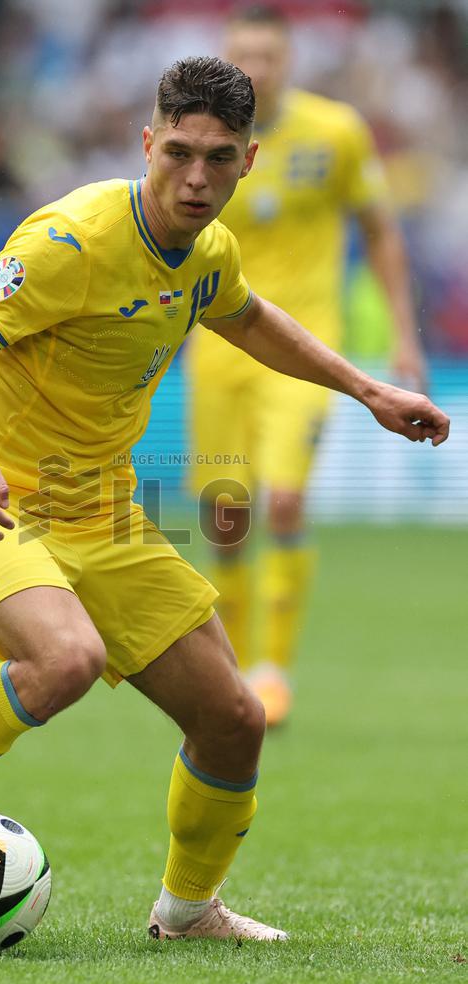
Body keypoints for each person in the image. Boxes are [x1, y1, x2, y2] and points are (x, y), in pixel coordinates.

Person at [0, 55, 448, 943]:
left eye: (218, 157)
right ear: (146, 142)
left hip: (102, 509)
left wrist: (367, 390)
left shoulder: (209, 249)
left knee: (234, 718)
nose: (196, 177)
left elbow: (247, 317)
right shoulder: (71, 241)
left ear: (250, 158)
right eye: (178, 152)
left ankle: (187, 911)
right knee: (67, 661)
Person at [187, 6, 428, 726]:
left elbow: (380, 231)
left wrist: (404, 336)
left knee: (284, 499)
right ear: (226, 60)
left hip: (303, 349)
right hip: (218, 348)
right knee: (225, 514)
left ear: (290, 58)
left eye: (267, 53)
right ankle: (234, 670)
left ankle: (272, 671)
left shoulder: (336, 133)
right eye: (242, 54)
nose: (255, 67)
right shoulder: (205, 139)